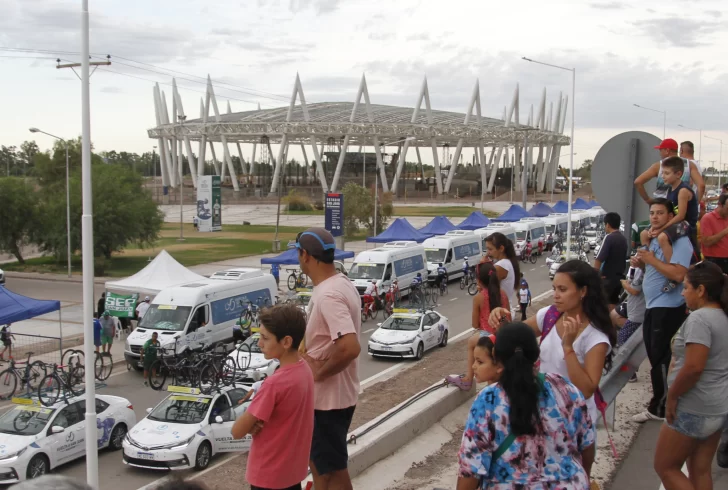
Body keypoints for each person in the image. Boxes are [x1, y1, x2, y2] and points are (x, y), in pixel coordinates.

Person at [488, 259, 616, 478]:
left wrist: (568, 347)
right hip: (543, 414)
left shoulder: (595, 337)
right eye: (554, 288)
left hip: (574, 423)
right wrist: (501, 318)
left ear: (583, 291)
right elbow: (515, 337)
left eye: (563, 289)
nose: (556, 295)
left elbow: (586, 389)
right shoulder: (549, 315)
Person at [456, 322, 595, 489]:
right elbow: (587, 445)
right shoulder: (564, 388)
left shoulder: (488, 400)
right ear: (536, 355)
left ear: (497, 360)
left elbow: (470, 469)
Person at [295, 228, 361, 490]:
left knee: (329, 472)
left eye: (297, 253)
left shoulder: (329, 295)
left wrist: (319, 372)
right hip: (332, 400)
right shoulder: (339, 283)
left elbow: (349, 347)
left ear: (305, 255)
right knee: (325, 469)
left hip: (328, 402)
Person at [654, 261, 728, 488]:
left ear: (701, 290)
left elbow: (694, 367)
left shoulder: (700, 319)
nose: (683, 292)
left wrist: (673, 397)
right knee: (700, 469)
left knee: (665, 467)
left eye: (686, 287)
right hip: (717, 405)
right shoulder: (723, 317)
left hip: (693, 406)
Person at [232, 303, 314, 490]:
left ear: (286, 342)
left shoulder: (273, 384)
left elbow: (237, 431)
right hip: (292, 473)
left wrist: (250, 422)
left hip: (267, 476)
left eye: (265, 338)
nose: (259, 343)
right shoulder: (305, 370)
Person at [631, 199, 693, 423]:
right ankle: (661, 402)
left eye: (660, 213)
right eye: (652, 212)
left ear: (670, 216)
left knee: (661, 358)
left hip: (668, 307)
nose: (655, 217)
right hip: (654, 304)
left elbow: (677, 274)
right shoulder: (656, 238)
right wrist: (642, 263)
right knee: (656, 357)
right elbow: (655, 265)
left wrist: (651, 260)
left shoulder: (679, 240)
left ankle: (660, 407)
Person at [446, 262, 510, 390]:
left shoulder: (479, 298)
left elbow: (475, 324)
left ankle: (468, 379)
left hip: (488, 334)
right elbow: (509, 318)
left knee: (471, 342)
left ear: (479, 280)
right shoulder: (503, 293)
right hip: (504, 334)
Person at [640, 156, 700, 278]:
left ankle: (671, 268)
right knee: (644, 234)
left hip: (686, 224)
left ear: (678, 174)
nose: (663, 176)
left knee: (662, 237)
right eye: (662, 173)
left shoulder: (683, 190)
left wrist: (661, 229)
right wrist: (653, 227)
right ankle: (645, 260)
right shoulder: (669, 189)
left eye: (667, 173)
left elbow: (681, 215)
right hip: (675, 222)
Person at [634, 138, 705, 205]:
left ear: (667, 151)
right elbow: (701, 185)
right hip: (682, 207)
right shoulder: (690, 165)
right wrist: (695, 203)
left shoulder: (659, 165)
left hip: (661, 207)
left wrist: (647, 199)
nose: (660, 153)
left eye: (661, 150)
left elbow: (638, 182)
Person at [594, 211, 628, 309]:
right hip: (619, 278)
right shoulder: (623, 239)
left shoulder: (609, 237)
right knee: (613, 304)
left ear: (608, 225)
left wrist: (595, 276)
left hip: (607, 279)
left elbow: (599, 258)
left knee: (602, 306)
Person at [610, 267, 646, 348]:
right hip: (631, 303)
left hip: (638, 309)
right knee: (613, 315)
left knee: (622, 341)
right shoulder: (636, 266)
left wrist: (625, 284)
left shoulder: (644, 268)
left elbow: (634, 290)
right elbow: (630, 280)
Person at [484, 232, 521, 309]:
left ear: (501, 248)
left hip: (501, 310)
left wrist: (482, 264)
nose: (488, 252)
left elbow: (484, 287)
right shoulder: (507, 263)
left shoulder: (501, 265)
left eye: (490, 249)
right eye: (487, 249)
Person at [700, 193, 728, 274]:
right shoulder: (707, 218)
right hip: (714, 260)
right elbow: (706, 242)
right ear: (720, 205)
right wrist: (725, 231)